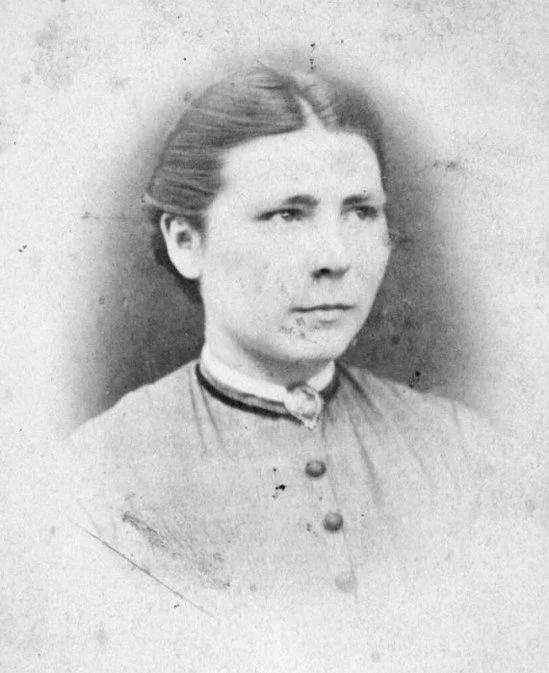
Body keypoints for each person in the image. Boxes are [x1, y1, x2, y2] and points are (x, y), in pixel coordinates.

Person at [57, 64, 547, 672]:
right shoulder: (96, 479)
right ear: (186, 241)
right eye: (288, 214)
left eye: (360, 212)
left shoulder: (464, 451)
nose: (335, 258)